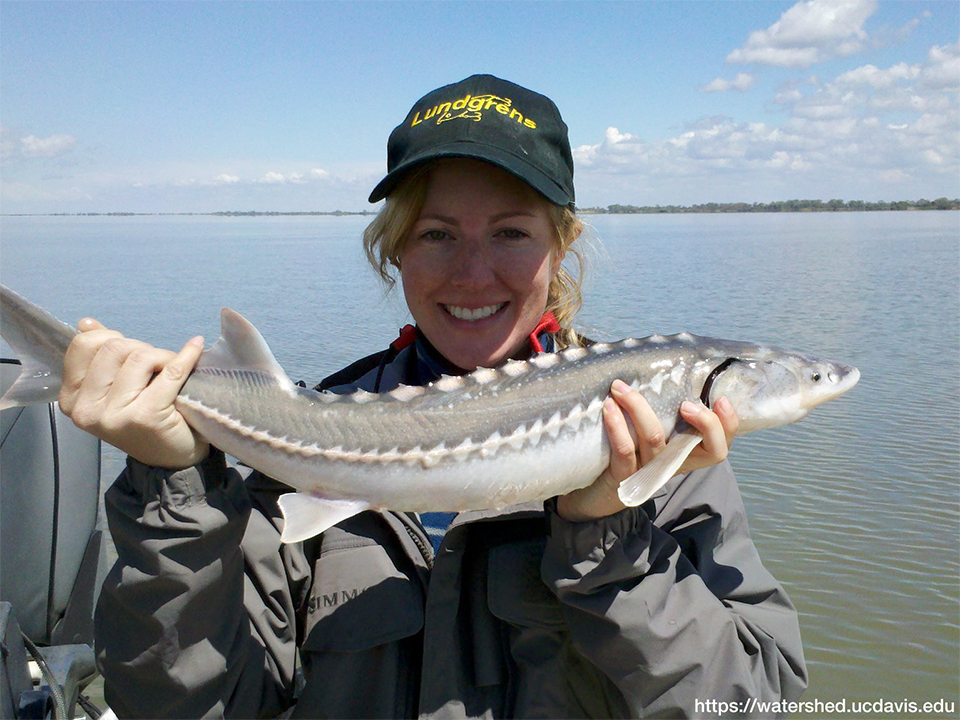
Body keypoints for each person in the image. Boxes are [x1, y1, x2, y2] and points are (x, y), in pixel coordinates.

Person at [59, 75, 807, 718]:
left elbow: (750, 702)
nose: (474, 274)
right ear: (394, 249)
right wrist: (176, 489)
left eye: (512, 233)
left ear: (562, 243)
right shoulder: (310, 429)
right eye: (437, 235)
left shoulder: (660, 450)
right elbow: (188, 703)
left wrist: (609, 537)